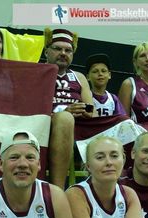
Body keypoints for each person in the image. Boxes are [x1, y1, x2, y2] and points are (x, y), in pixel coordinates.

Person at [44, 28, 95, 190]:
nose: (63, 53)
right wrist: (63, 113)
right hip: (48, 127)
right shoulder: (37, 71)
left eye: (68, 50)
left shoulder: (79, 77)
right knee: (65, 119)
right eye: (57, 49)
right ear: (46, 51)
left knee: (124, 122)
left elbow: (92, 110)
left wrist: (85, 111)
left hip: (79, 129)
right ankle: (57, 192)